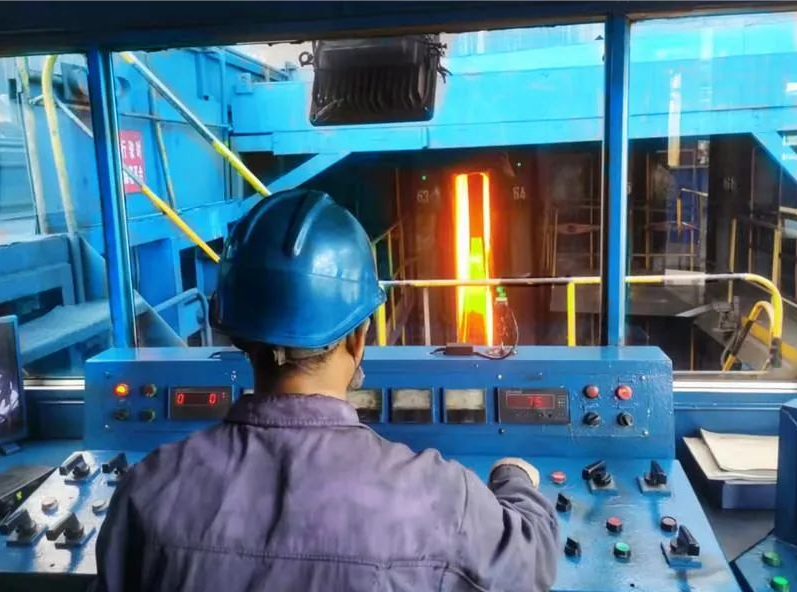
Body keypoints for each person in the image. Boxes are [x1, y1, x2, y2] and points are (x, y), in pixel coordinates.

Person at [93, 189, 559, 592]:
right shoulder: (443, 500)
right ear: (358, 337)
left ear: (238, 335)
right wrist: (514, 479)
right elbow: (531, 560)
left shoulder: (145, 493)